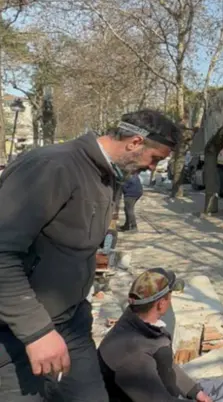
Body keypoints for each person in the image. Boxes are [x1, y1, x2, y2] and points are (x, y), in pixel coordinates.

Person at [0, 109, 180, 401]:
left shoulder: (109, 176)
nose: (152, 169)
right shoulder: (53, 166)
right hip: (17, 335)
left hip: (71, 325)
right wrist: (36, 332)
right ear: (135, 142)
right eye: (155, 158)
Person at [98, 268, 213, 402]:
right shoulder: (134, 354)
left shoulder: (137, 323)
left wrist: (195, 391)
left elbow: (166, 364)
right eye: (170, 295)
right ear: (161, 304)